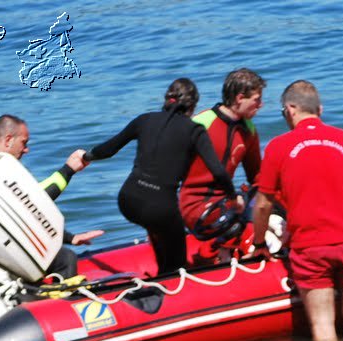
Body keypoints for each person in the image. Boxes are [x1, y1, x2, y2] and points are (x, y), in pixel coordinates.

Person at [249, 81, 343, 341]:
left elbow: (262, 205)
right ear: (320, 109)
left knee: (323, 326)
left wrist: (259, 242)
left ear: (291, 109)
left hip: (312, 246)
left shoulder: (278, 146)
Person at [82, 79, 238, 278]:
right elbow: (218, 172)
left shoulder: (144, 120)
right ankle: (168, 286)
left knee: (159, 233)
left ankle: (159, 279)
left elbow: (108, 149)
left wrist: (85, 156)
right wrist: (233, 198)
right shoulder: (194, 130)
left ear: (166, 99)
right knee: (176, 263)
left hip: (128, 200)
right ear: (193, 106)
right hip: (159, 206)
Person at [0, 114, 103, 279]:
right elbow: (35, 200)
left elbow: (26, 212)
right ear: (8, 140)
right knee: (66, 259)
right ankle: (64, 302)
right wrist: (69, 169)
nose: (26, 149)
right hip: (3, 254)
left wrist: (70, 238)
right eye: (24, 143)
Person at [177, 68, 265, 239]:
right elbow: (168, 168)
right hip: (194, 208)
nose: (261, 104)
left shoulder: (249, 130)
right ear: (240, 98)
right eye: (257, 100)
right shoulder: (201, 123)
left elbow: (257, 177)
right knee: (246, 233)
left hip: (227, 203)